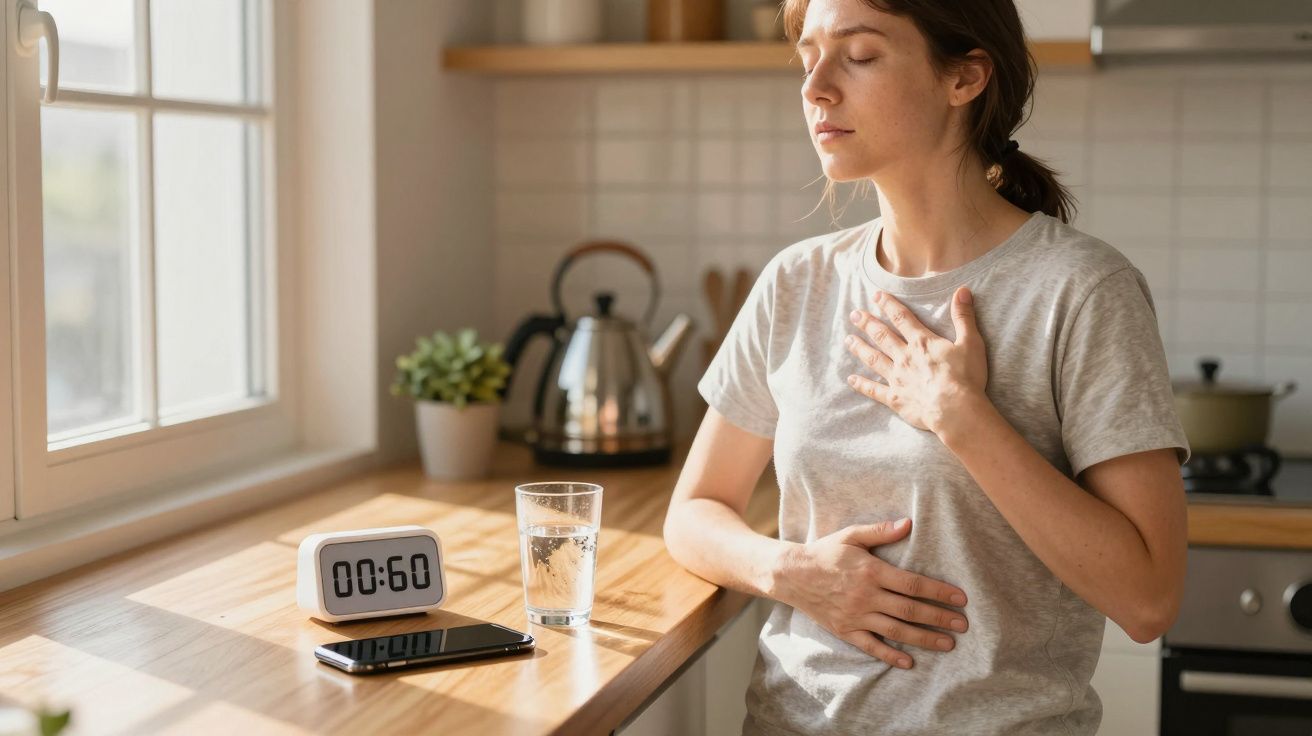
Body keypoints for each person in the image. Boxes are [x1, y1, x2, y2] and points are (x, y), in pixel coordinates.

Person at [661, 0, 1192, 734]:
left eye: (860, 55)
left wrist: (964, 419)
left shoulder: (1080, 290)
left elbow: (1148, 598)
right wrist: (791, 573)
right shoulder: (798, 283)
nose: (815, 86)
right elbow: (693, 514)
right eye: (807, 54)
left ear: (965, 78)